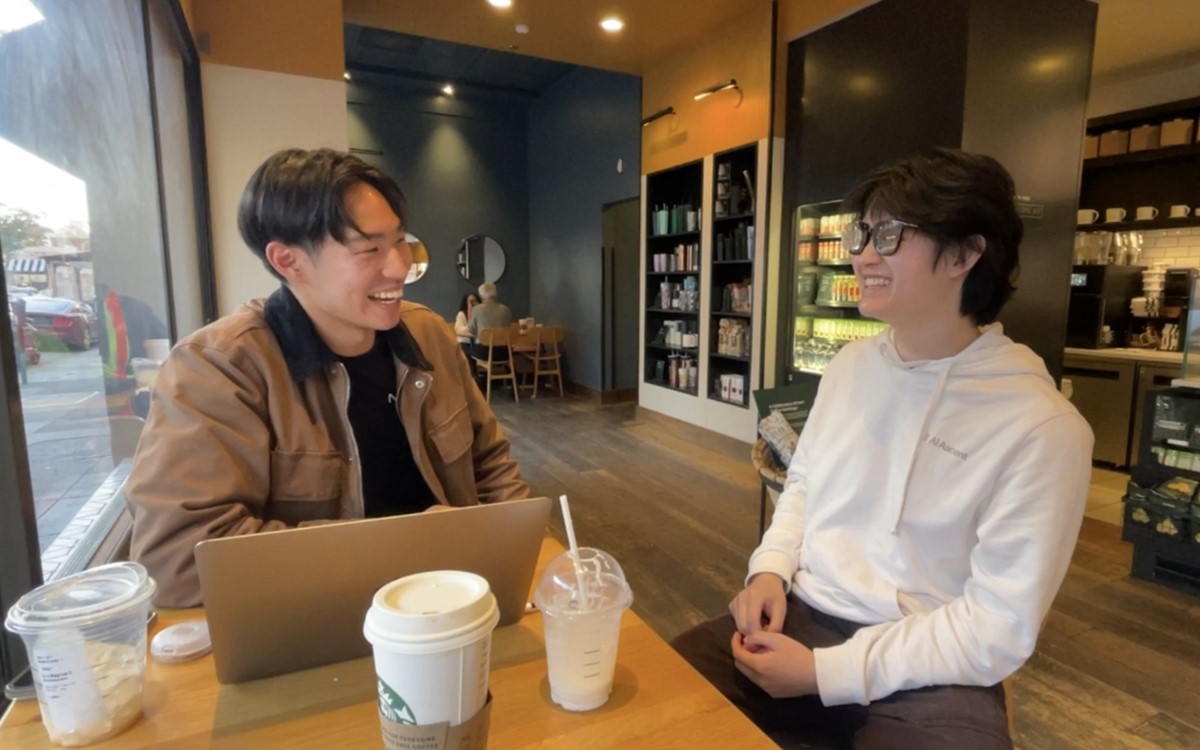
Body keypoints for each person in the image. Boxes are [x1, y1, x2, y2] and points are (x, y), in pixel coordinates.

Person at [673, 148, 1093, 749]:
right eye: (862, 233)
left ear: (965, 255)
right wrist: (768, 570)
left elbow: (998, 624)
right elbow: (804, 486)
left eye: (890, 234)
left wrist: (829, 673)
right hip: (801, 612)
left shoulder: (1040, 426)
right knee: (653, 701)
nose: (864, 255)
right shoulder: (850, 365)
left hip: (929, 659)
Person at [126, 148, 529, 607]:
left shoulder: (429, 335)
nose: (400, 266)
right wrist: (402, 546)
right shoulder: (219, 368)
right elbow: (177, 558)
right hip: (318, 620)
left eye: (401, 241)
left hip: (456, 604)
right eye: (369, 249)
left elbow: (490, 464)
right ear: (289, 261)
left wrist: (517, 550)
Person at [454, 291, 479, 357]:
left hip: (477, 343)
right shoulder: (461, 314)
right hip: (465, 342)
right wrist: (472, 333)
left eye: (475, 301)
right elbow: (458, 330)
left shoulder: (480, 314)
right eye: (470, 302)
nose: (473, 304)